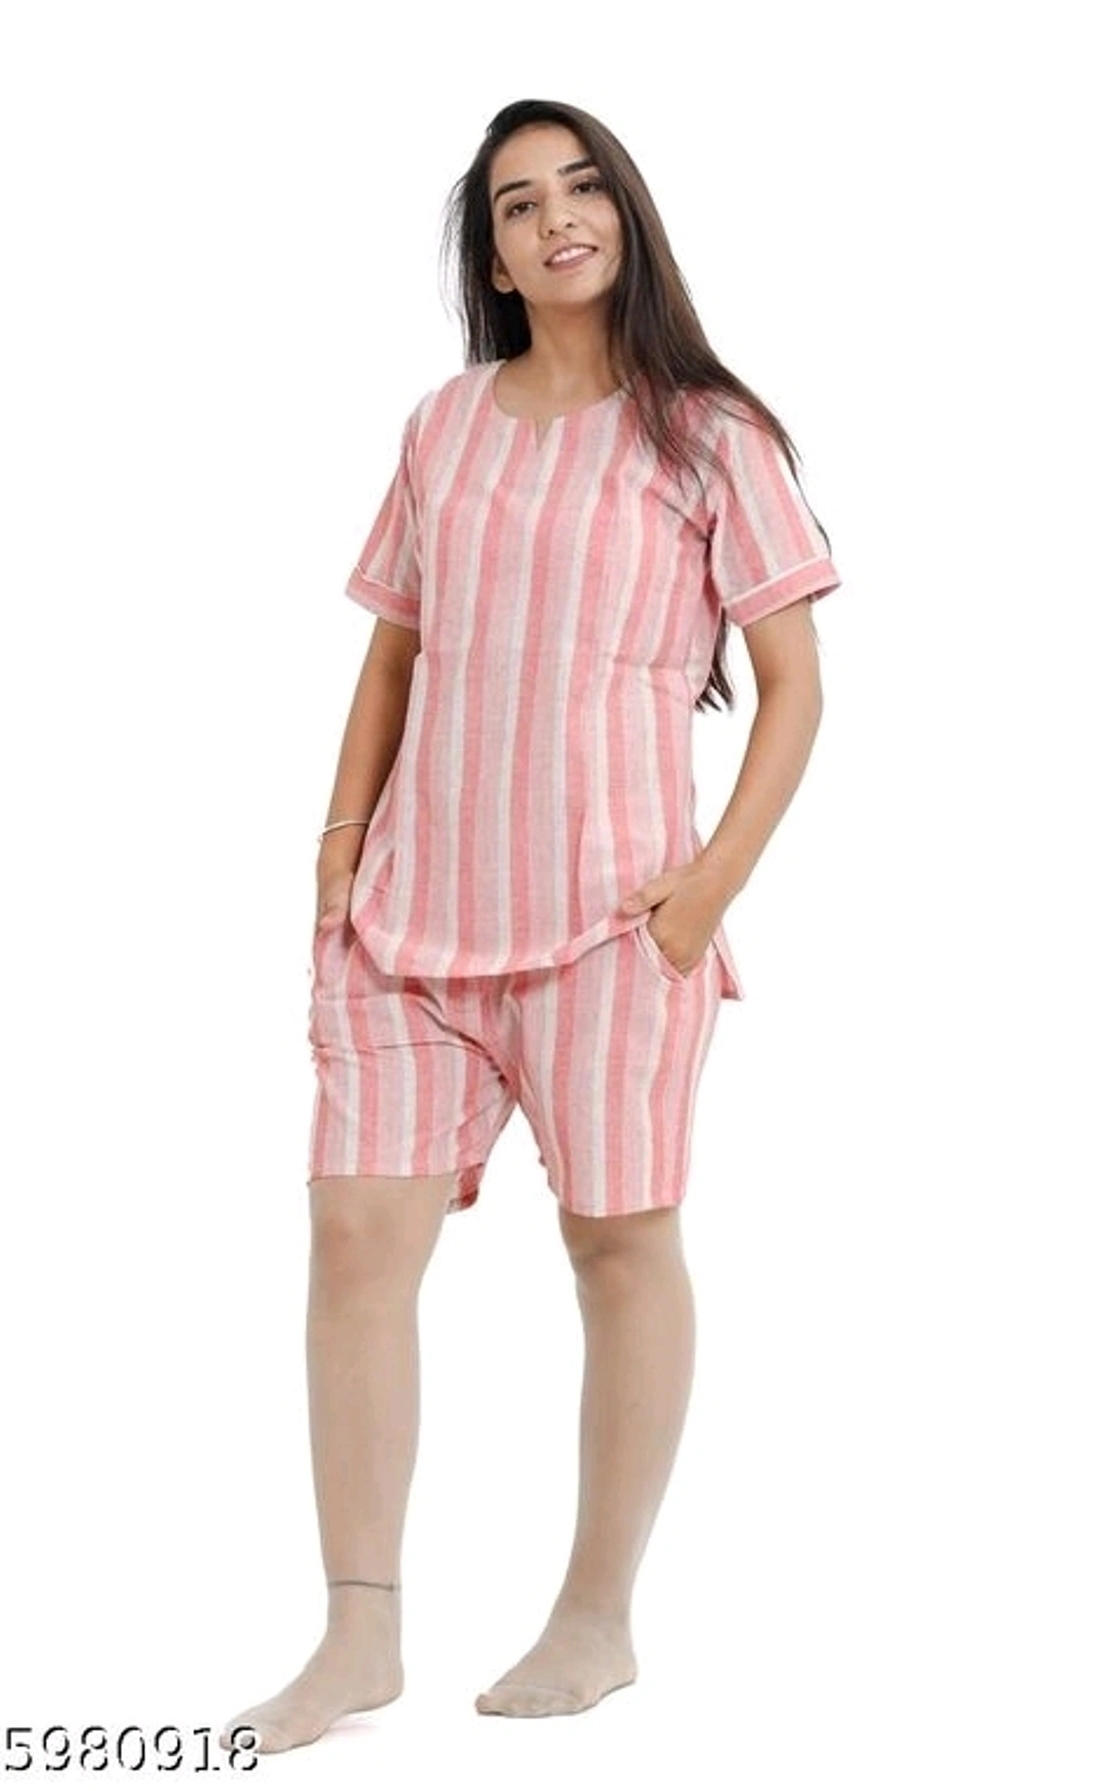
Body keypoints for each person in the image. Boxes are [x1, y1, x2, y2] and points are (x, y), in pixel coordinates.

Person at [221, 96, 843, 1755]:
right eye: (515, 203)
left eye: (579, 187)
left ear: (624, 215)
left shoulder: (712, 433)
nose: (554, 216)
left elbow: (795, 687)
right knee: (355, 1241)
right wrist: (337, 852)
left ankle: (597, 1615)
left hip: (608, 926)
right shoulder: (444, 425)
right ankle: (357, 1633)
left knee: (618, 1244)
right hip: (410, 920)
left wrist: (704, 892)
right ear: (491, 256)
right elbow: (395, 650)